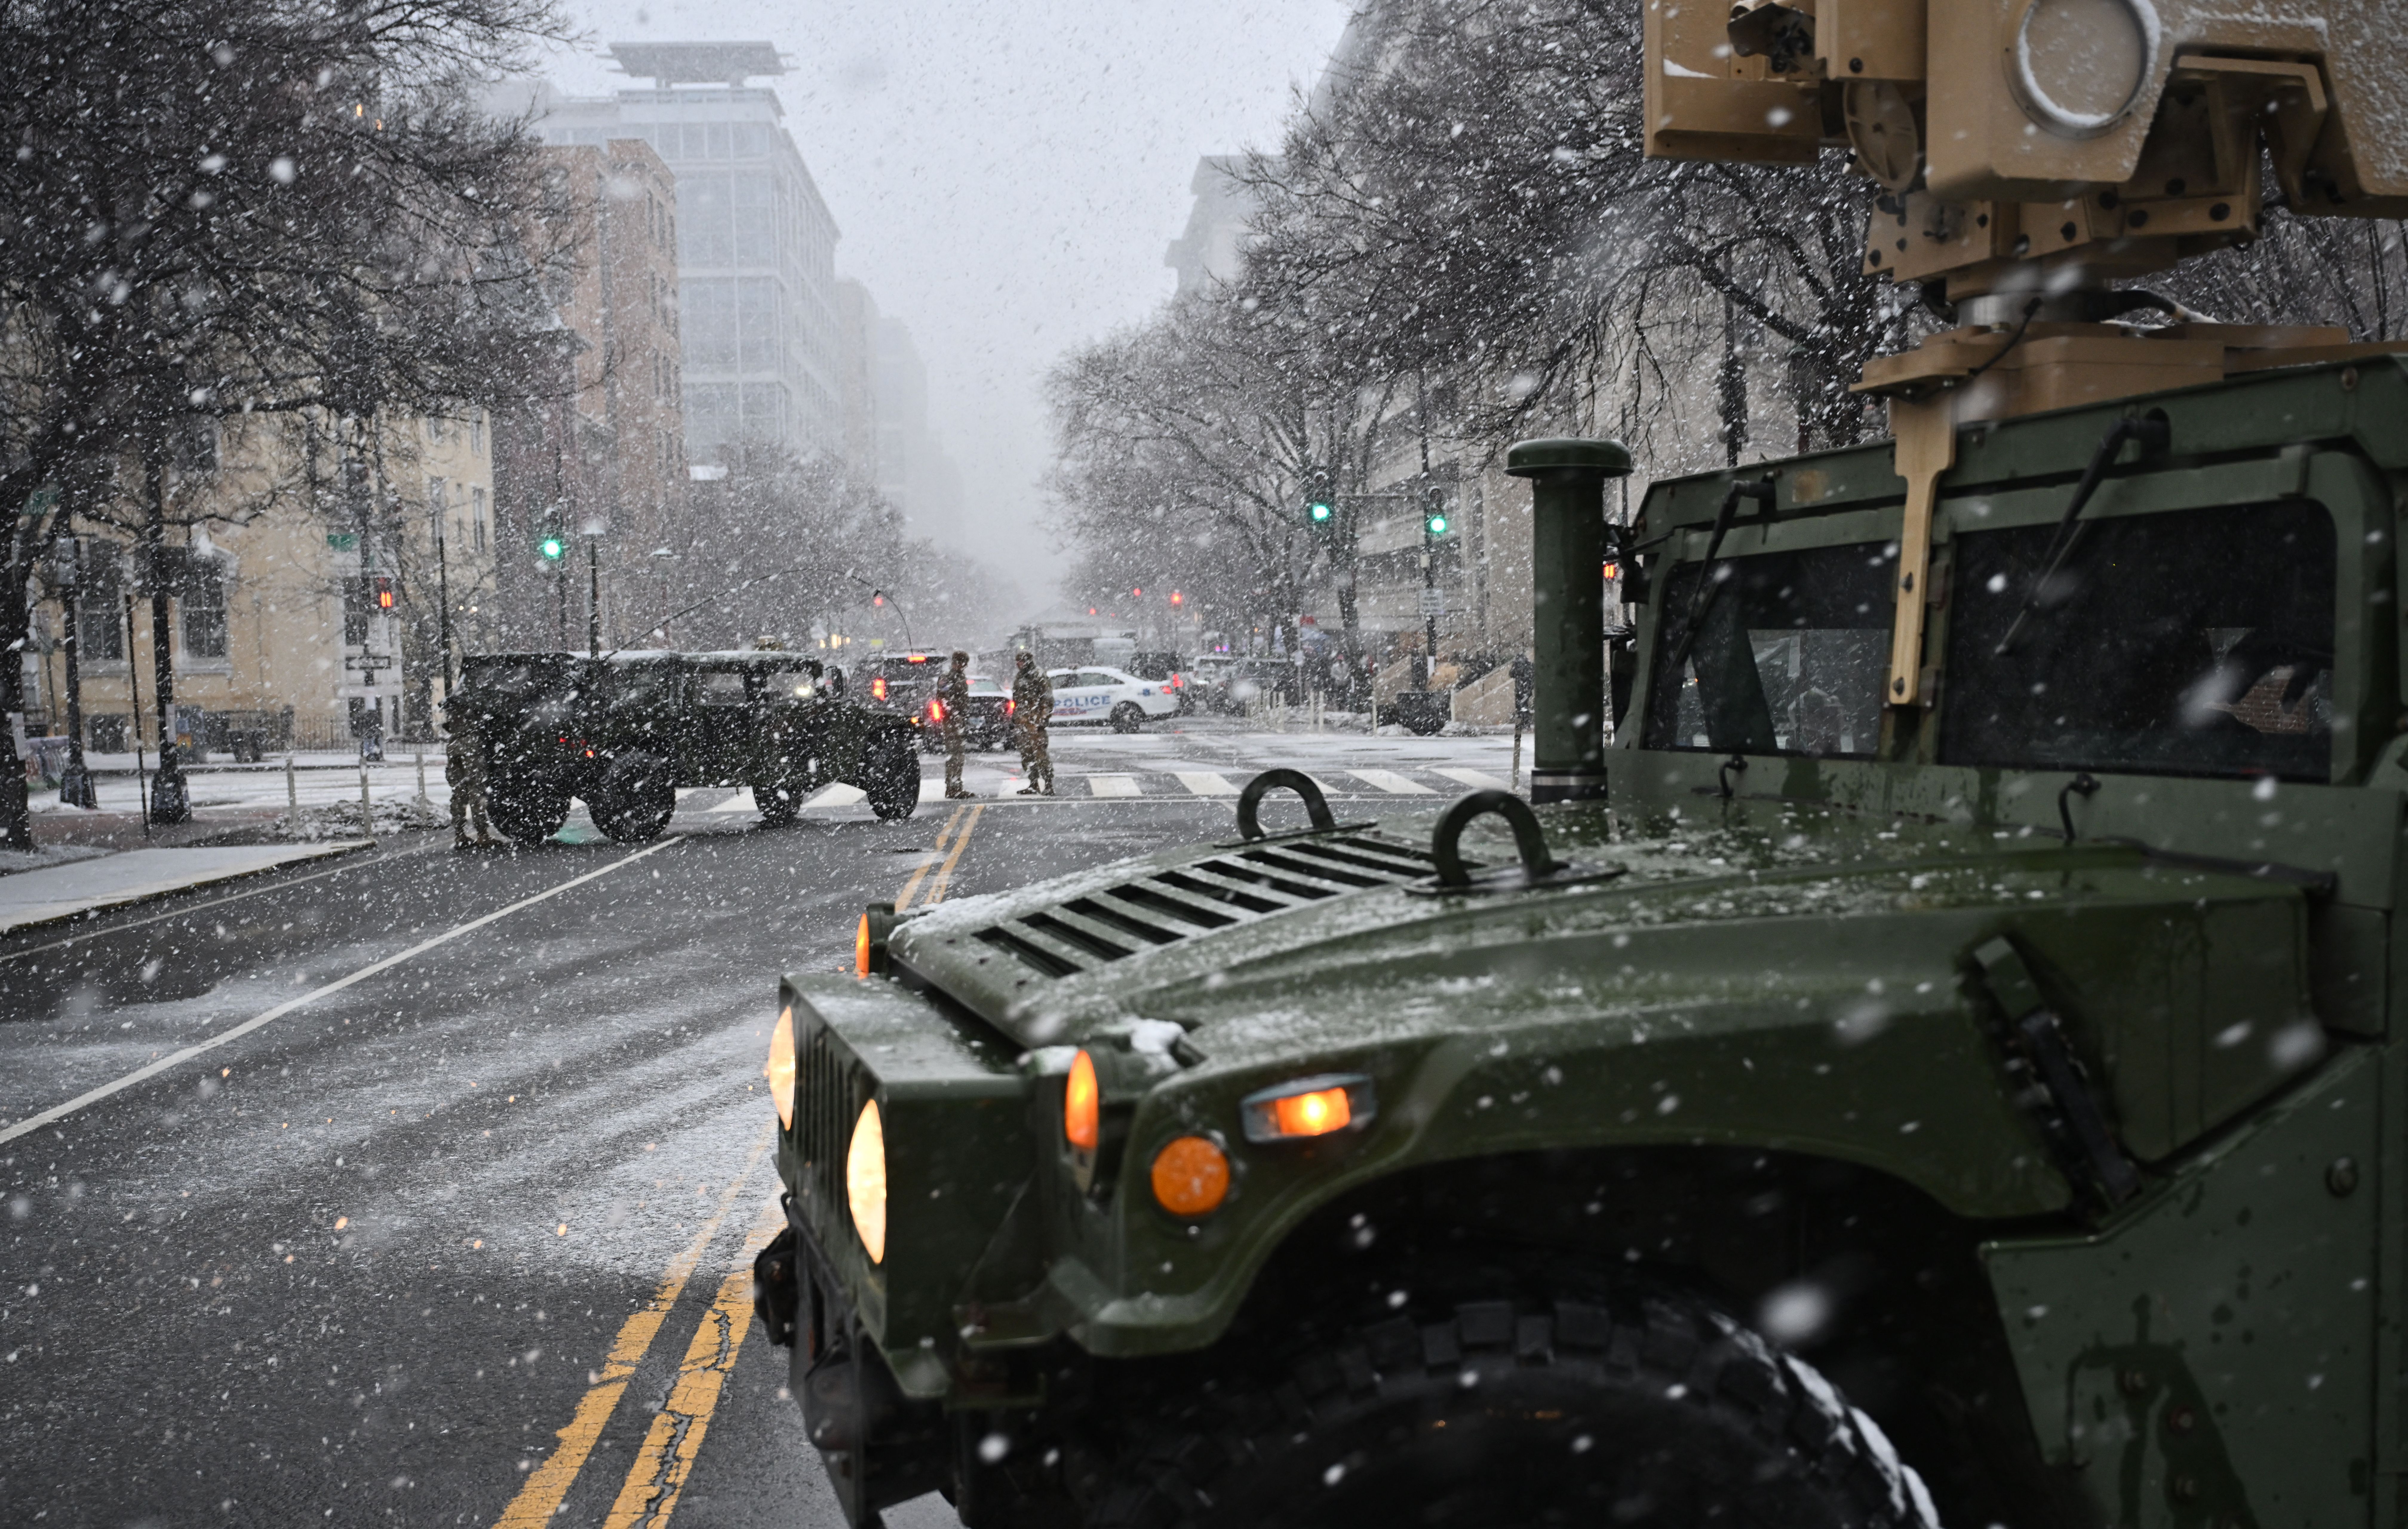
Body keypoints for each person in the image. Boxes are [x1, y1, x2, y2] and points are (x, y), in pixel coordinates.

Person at [445, 698, 496, 848]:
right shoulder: (476, 697)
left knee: (459, 792)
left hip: (454, 744)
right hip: (471, 744)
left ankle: (460, 834)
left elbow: (449, 724)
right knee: (476, 790)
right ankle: (482, 834)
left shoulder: (457, 699)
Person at [1011, 651, 1054, 796]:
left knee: (1041, 755)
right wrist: (1016, 717)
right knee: (1027, 755)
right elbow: (1017, 699)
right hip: (1022, 722)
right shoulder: (1020, 677)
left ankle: (1048, 784)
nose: (1019, 665)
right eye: (1018, 662)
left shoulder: (1039, 675)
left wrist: (1043, 719)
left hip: (1035, 722)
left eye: (1021, 662)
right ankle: (1033, 784)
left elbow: (1047, 700)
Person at [938, 650, 974, 799]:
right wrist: (955, 716)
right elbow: (943, 700)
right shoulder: (947, 678)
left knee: (959, 756)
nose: (962, 666)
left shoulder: (960, 677)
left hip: (959, 722)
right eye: (960, 663)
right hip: (951, 722)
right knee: (954, 756)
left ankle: (956, 786)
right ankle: (952, 788)